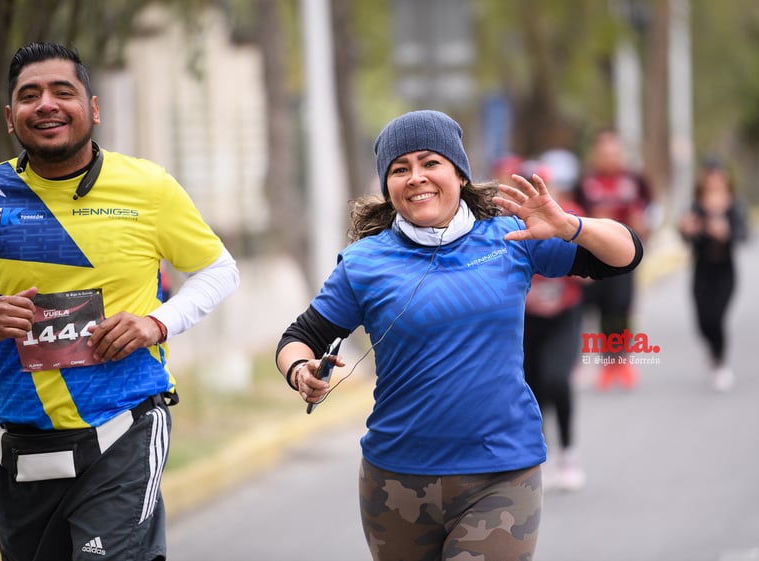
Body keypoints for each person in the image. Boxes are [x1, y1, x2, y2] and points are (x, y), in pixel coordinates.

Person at [275, 110, 643, 561]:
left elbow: (624, 256)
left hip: (501, 474)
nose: (416, 178)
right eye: (400, 169)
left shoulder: (512, 235)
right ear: (387, 185)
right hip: (396, 482)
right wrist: (300, 370)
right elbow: (300, 335)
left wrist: (571, 226)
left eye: (430, 163)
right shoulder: (364, 262)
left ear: (459, 173)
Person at [0, 42, 239, 561]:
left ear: (94, 108)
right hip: (17, 443)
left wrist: (157, 323)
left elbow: (219, 270)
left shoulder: (147, 187)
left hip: (122, 428)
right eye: (28, 95)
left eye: (64, 92)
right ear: (11, 117)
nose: (46, 105)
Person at [519, 155, 588, 492]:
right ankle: (539, 453)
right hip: (526, 320)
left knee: (557, 379)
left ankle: (569, 453)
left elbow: (596, 267)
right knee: (531, 389)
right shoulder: (508, 222)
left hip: (564, 313)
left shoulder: (568, 216)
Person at [575, 128, 653, 391]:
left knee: (621, 307)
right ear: (596, 153)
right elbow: (572, 214)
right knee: (600, 308)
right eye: (604, 152)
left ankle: (623, 361)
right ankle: (607, 364)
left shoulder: (635, 180)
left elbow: (650, 210)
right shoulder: (585, 183)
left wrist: (643, 226)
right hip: (594, 254)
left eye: (614, 152)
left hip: (624, 253)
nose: (609, 157)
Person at [678, 159, 748, 392]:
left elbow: (743, 235)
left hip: (725, 269)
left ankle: (720, 362)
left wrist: (726, 233)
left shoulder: (735, 206)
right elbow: (686, 236)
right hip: (702, 268)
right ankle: (711, 349)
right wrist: (687, 231)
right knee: (701, 320)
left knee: (717, 317)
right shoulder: (696, 207)